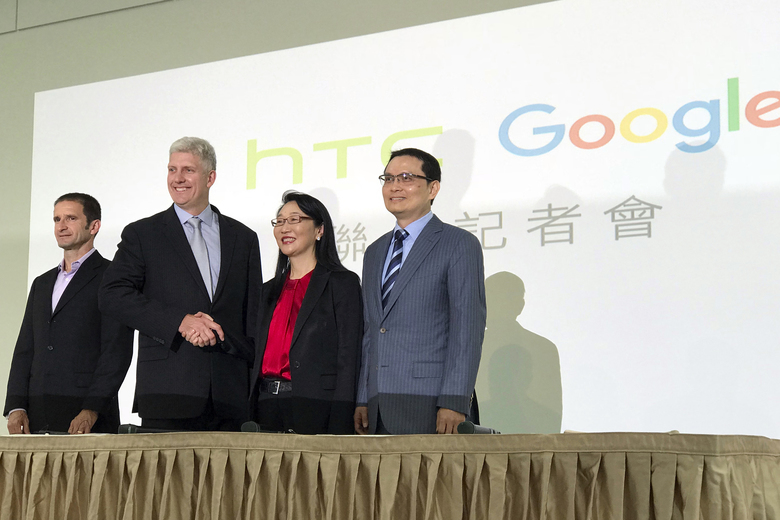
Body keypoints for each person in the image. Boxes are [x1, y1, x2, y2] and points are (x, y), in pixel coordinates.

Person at [99, 137, 262, 431]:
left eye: (188, 170)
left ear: (210, 177)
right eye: (172, 169)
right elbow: (112, 295)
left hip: (230, 395)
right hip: (168, 391)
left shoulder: (244, 238)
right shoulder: (143, 234)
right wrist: (179, 322)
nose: (178, 179)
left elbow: (251, 319)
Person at [354, 148, 486, 435]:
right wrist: (363, 397)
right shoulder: (375, 251)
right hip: (377, 405)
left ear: (433, 188)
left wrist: (454, 399)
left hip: (432, 402)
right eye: (388, 179)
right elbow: (371, 330)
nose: (395, 186)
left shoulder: (458, 243)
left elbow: (468, 328)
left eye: (406, 177)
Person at [4, 193, 133, 434]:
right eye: (56, 219)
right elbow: (25, 349)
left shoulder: (113, 278)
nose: (61, 226)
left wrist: (92, 409)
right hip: (36, 417)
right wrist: (16, 406)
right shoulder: (41, 283)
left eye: (71, 218)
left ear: (94, 226)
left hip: (86, 419)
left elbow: (116, 351)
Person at [249, 191, 362, 434]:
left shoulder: (342, 284)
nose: (284, 228)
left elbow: (348, 358)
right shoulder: (267, 290)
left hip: (316, 407)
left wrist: (341, 420)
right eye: (280, 221)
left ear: (320, 230)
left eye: (294, 220)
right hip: (265, 406)